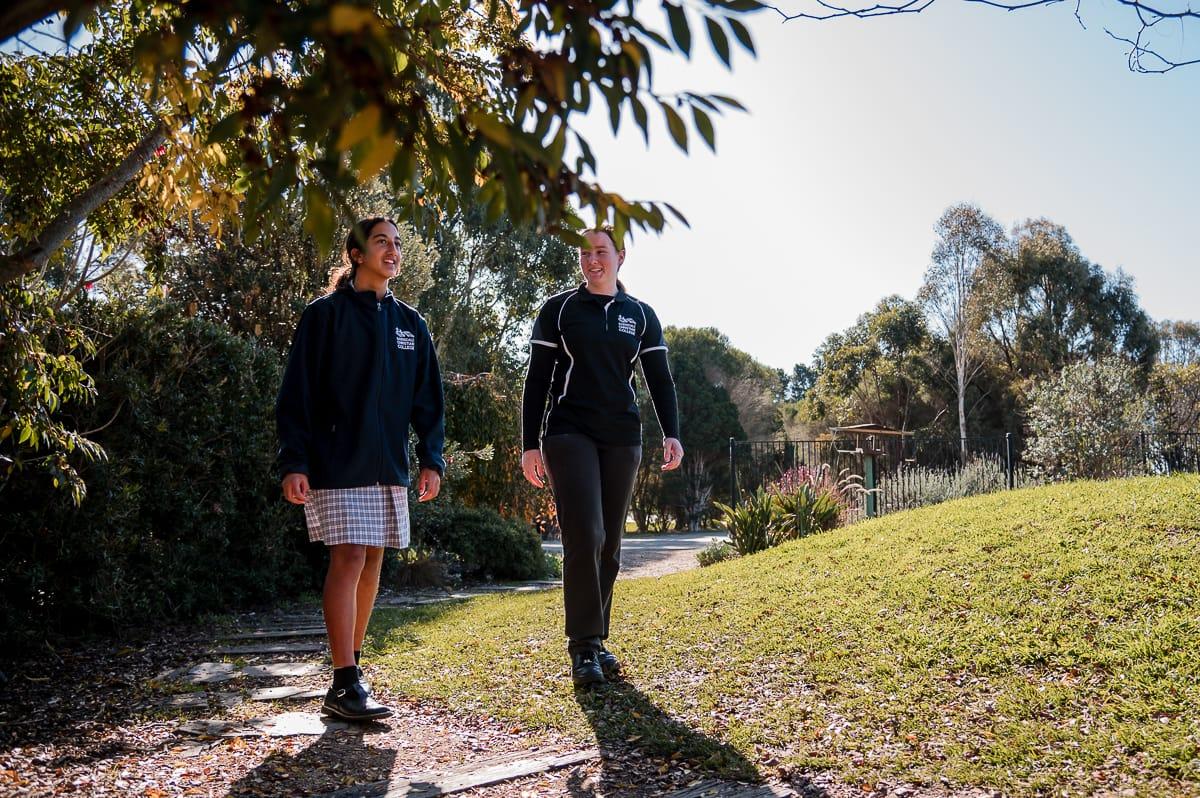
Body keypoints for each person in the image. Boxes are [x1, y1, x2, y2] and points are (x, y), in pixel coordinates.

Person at [276, 217, 445, 721]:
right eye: (381, 242)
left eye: (396, 243)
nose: (392, 250)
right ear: (356, 254)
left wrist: (431, 457)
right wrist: (294, 462)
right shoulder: (324, 317)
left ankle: (350, 673)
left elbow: (428, 401)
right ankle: (344, 679)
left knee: (372, 561)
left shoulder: (411, 325)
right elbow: (296, 395)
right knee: (348, 557)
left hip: (388, 465)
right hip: (335, 461)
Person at [521, 227, 683, 686]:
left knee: (610, 543)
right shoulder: (559, 311)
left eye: (601, 252)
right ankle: (583, 648)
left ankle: (597, 641)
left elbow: (659, 379)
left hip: (622, 437)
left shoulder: (641, 315)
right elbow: (536, 381)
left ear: (620, 257)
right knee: (585, 533)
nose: (593, 260)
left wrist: (672, 433)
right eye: (585, 253)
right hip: (569, 433)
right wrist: (529, 443)